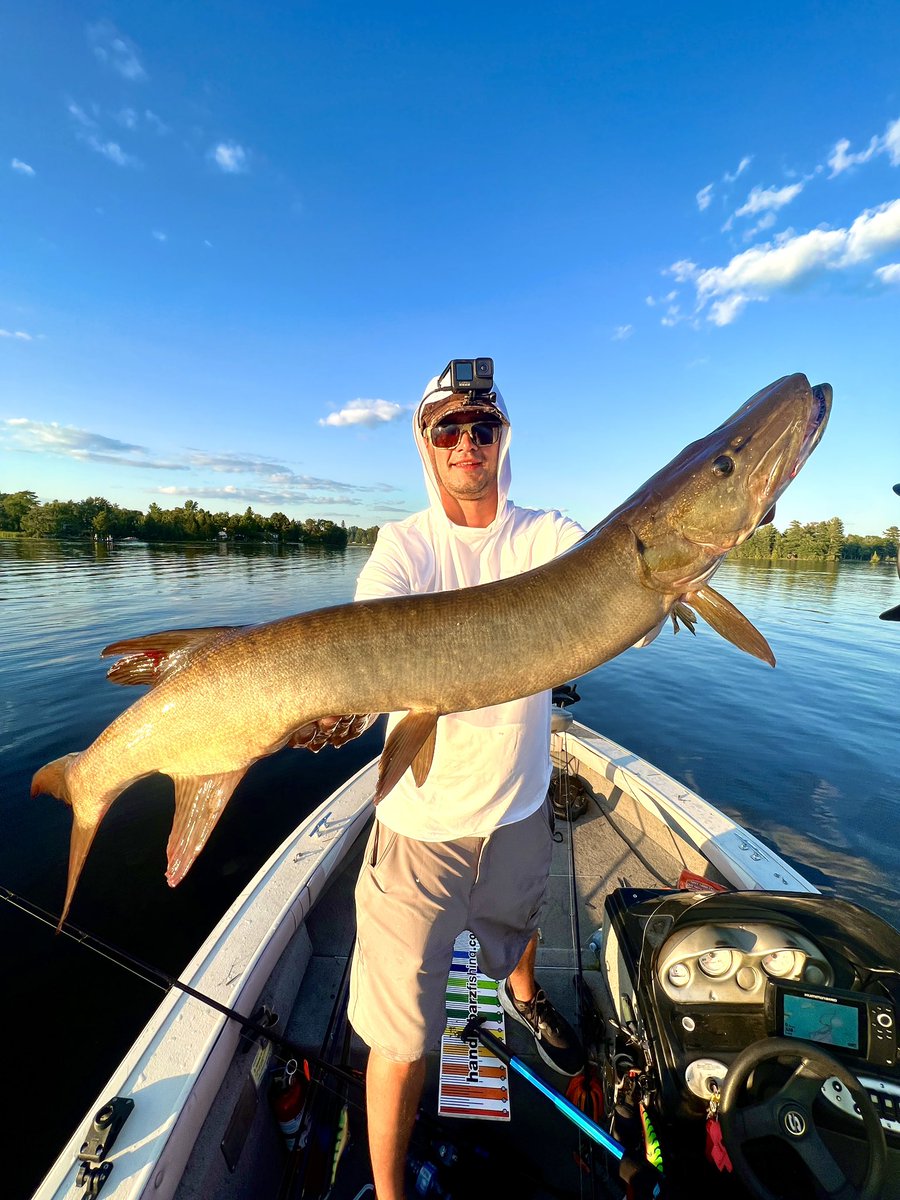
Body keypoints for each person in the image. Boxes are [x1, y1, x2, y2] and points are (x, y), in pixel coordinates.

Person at [304, 362, 588, 1200]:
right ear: (425, 444)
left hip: (519, 811)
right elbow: (368, 641)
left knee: (515, 926)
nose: (468, 442)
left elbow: (622, 594)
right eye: (448, 428)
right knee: (400, 1039)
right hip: (421, 829)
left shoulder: (546, 535)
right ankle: (391, 1194)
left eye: (484, 427)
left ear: (504, 440)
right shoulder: (403, 548)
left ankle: (525, 997)